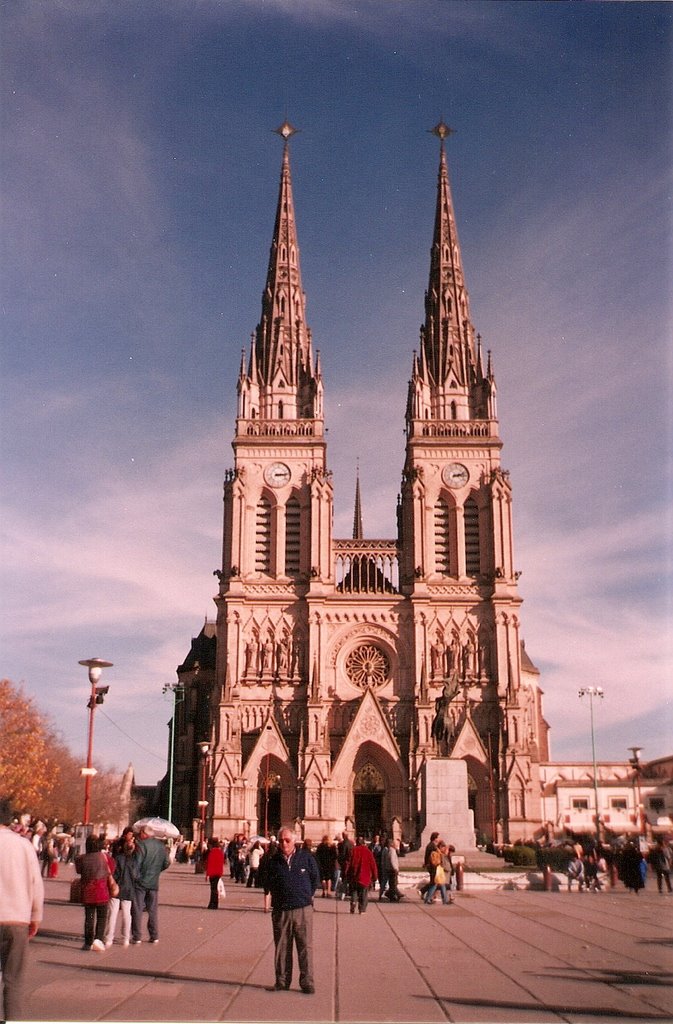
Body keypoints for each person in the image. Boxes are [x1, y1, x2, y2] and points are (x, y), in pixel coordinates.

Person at [0, 797, 44, 1021]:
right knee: (13, 981)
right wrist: (35, 916)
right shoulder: (23, 845)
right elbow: (36, 884)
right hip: (16, 919)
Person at [264, 826, 320, 994]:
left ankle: (307, 982)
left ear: (295, 841)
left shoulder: (306, 858)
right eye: (281, 840)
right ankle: (282, 981)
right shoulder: (273, 861)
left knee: (305, 947)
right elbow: (266, 882)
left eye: (287, 840)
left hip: (303, 909)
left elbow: (315, 878)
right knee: (282, 947)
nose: (284, 843)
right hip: (281, 910)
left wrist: (305, 895)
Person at [131, 825, 170, 943]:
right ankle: (154, 935)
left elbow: (136, 864)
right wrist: (156, 871)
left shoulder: (141, 845)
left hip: (140, 882)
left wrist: (136, 877)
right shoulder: (161, 846)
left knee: (137, 909)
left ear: (144, 834)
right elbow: (166, 863)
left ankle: (137, 936)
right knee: (152, 910)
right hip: (154, 882)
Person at [75, 835, 114, 951]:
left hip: (88, 892)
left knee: (89, 917)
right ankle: (98, 939)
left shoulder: (81, 858)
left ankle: (88, 942)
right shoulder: (104, 857)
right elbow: (112, 868)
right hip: (102, 891)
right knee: (102, 917)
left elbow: (78, 871)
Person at [104, 828, 138, 946]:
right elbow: (136, 875)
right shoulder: (134, 861)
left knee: (112, 913)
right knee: (127, 914)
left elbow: (114, 873)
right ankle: (126, 938)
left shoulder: (118, 858)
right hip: (129, 888)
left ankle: (109, 937)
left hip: (117, 887)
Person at [346, 836, 378, 914]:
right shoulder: (368, 852)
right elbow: (373, 865)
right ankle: (362, 909)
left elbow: (348, 863)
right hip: (365, 876)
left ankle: (353, 901)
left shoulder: (353, 851)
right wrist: (375, 876)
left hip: (354, 875)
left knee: (354, 890)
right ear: (363, 842)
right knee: (364, 893)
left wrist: (347, 874)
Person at [424, 840, 452, 905]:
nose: (444, 849)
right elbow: (437, 862)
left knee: (441, 885)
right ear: (440, 847)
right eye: (443, 847)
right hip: (436, 871)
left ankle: (444, 900)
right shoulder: (436, 853)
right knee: (435, 885)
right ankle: (429, 899)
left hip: (438, 871)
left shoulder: (440, 853)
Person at [204, 837, 226, 908]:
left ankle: (212, 904)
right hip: (218, 872)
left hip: (213, 872)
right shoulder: (220, 851)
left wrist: (207, 874)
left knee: (213, 888)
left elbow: (210, 863)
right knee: (215, 888)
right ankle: (215, 904)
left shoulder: (212, 852)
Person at [380, 838, 403, 902]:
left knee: (392, 884)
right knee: (393, 884)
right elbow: (392, 861)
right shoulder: (392, 851)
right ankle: (395, 894)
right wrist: (395, 868)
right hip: (392, 870)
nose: (397, 846)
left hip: (390, 869)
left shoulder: (390, 850)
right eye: (396, 845)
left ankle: (391, 895)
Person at [336, 831, 353, 900]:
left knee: (344, 879)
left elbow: (342, 854)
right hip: (350, 863)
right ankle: (349, 892)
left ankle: (344, 893)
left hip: (345, 863)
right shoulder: (351, 843)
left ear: (343, 836)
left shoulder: (344, 844)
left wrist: (340, 861)